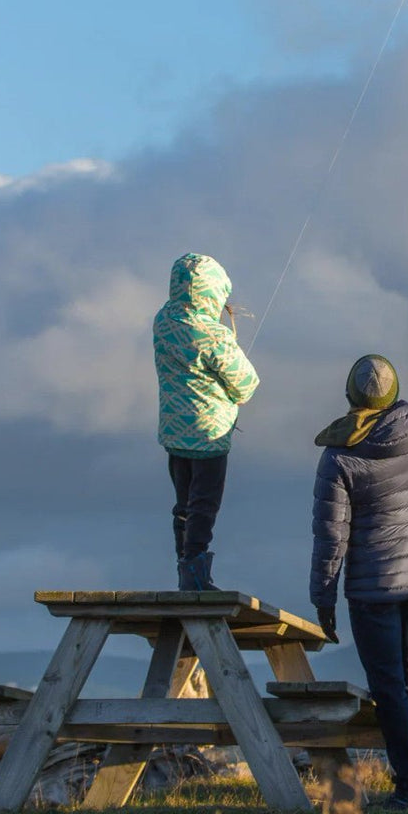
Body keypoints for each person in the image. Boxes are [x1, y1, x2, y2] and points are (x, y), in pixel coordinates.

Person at [309, 294, 408, 811]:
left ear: (350, 394)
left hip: (373, 589)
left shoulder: (338, 457)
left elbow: (331, 537)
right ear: (393, 394)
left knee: (390, 688)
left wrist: (323, 600)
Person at [153, 253, 260, 590]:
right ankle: (195, 572)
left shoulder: (163, 320)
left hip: (174, 433)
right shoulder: (213, 335)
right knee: (204, 505)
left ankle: (185, 567)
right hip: (209, 435)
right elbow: (246, 384)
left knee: (183, 504)